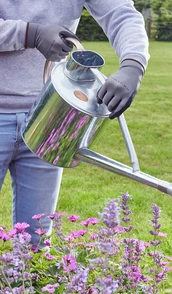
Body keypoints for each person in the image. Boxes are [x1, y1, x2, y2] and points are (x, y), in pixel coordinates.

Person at [0, 0, 150, 246]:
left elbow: (121, 14)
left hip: (48, 114)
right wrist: (30, 33)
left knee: (36, 244)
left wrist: (133, 65)